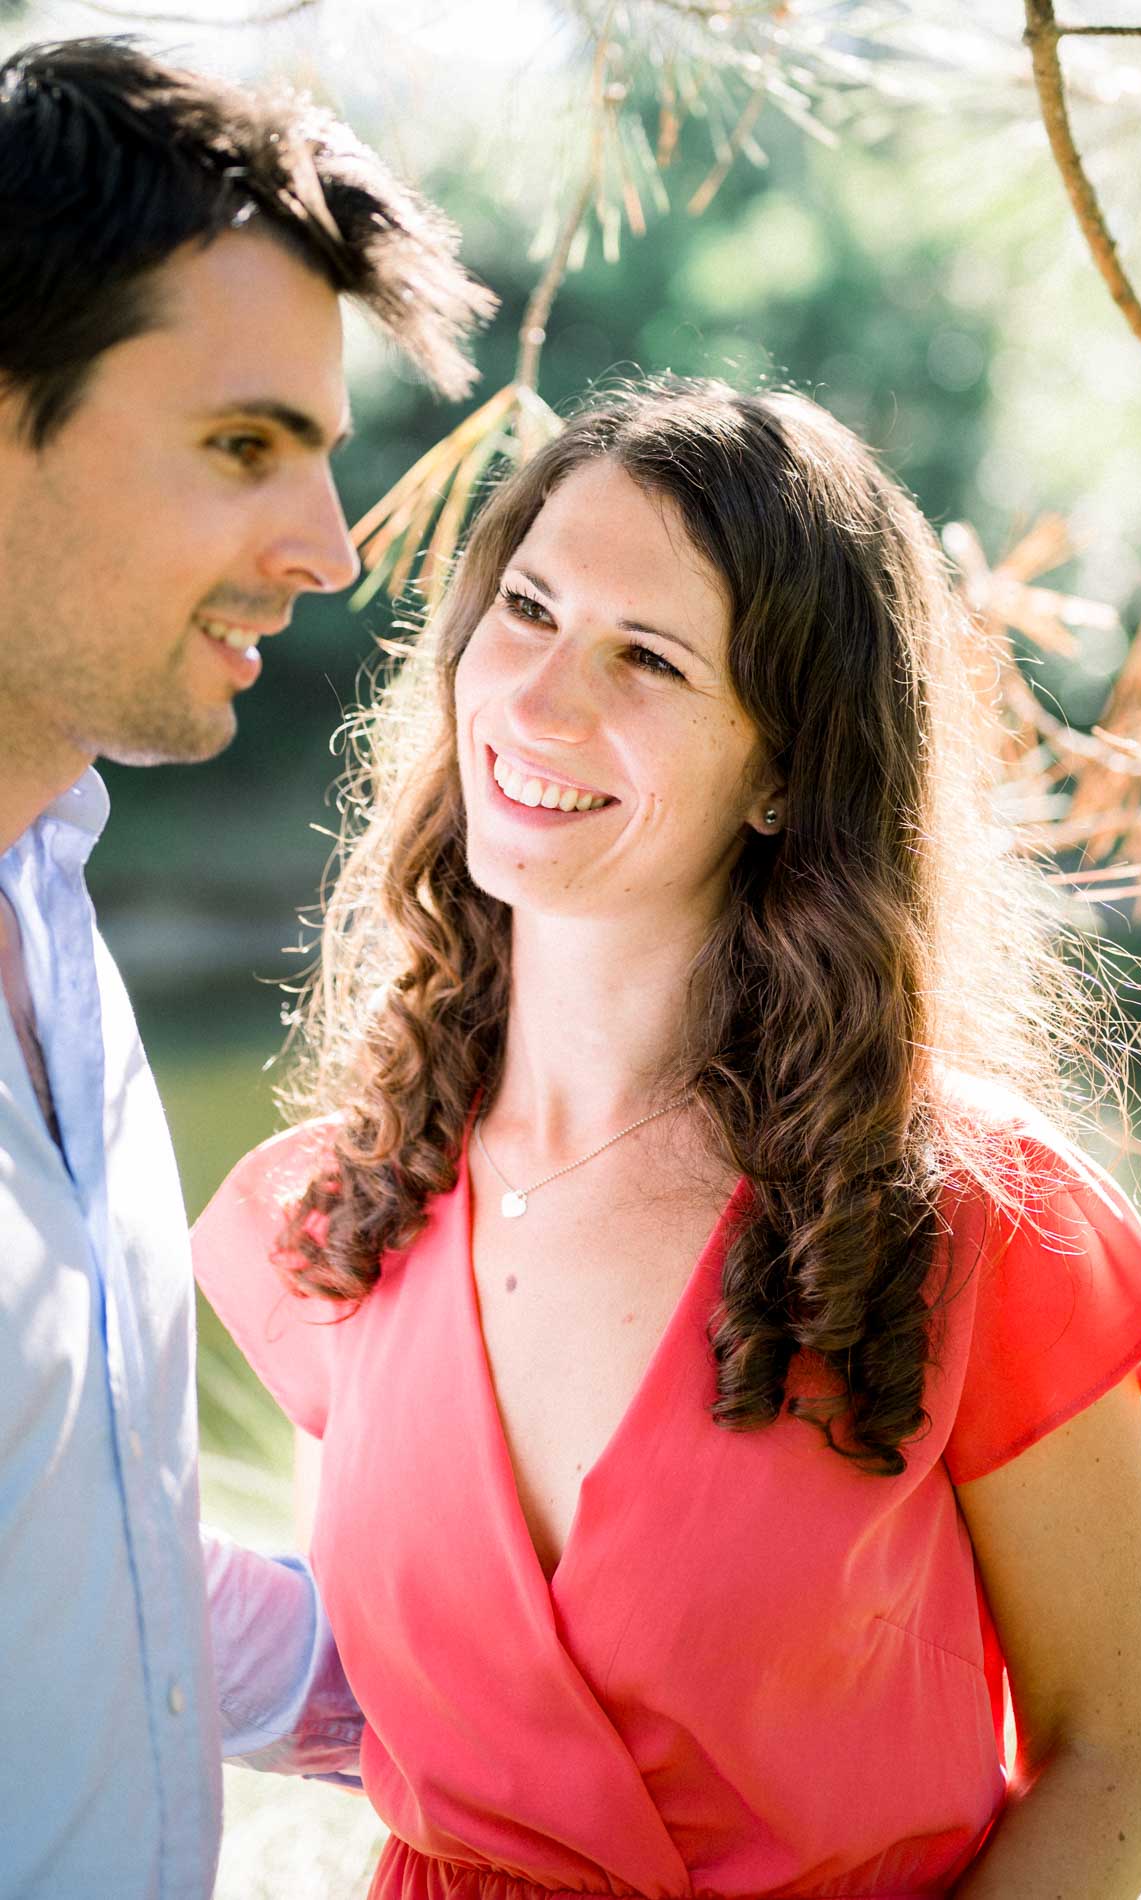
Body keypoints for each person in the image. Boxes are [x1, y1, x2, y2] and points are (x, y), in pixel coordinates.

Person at [194, 381, 1141, 1899]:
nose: (535, 701)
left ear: (789, 768)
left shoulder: (971, 1217)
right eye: (525, 609)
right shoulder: (338, 1210)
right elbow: (454, 1699)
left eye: (646, 657)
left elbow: (1110, 1754)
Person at [0, 35, 491, 1900]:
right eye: (238, 448)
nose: (325, 548)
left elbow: (76, 1555)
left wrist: (530, 1690)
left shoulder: (58, 916)